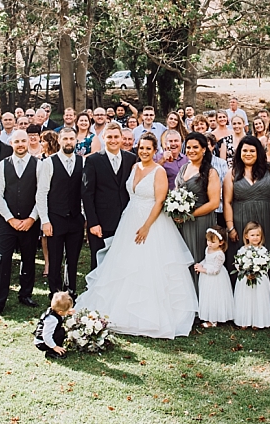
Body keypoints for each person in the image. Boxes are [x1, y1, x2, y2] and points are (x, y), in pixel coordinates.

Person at [75, 132, 198, 339]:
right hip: (129, 220)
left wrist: (146, 226)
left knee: (148, 265)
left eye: (148, 148)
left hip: (151, 223)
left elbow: (159, 201)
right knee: (124, 264)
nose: (144, 151)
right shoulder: (134, 167)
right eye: (141, 148)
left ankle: (150, 314)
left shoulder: (158, 171)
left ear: (155, 150)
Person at [223, 136, 270, 320]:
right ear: (239, 152)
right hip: (241, 222)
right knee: (242, 259)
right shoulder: (232, 173)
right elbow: (227, 202)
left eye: (252, 150)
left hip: (267, 220)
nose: (248, 154)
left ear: (259, 152)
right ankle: (243, 309)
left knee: (268, 258)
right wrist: (230, 227)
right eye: (245, 150)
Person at [0, 129, 41, 317]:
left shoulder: (38, 165)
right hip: (7, 223)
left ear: (28, 142)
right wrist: (10, 218)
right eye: (16, 141)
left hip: (30, 222)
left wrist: (32, 218)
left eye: (23, 141)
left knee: (29, 258)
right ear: (11, 143)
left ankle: (25, 294)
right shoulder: (2, 165)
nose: (20, 144)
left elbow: (41, 194)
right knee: (3, 260)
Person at [38, 127, 87, 300]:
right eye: (65, 138)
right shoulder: (49, 163)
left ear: (76, 141)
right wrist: (45, 220)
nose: (68, 142)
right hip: (55, 218)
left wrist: (83, 215)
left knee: (72, 258)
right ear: (59, 141)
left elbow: (85, 191)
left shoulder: (82, 162)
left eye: (71, 139)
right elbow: (41, 193)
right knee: (55, 257)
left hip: (75, 218)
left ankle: (70, 290)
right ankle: (55, 292)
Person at [80, 123, 136, 270]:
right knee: (99, 262)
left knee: (123, 261)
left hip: (125, 220)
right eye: (109, 137)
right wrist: (93, 223)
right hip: (101, 222)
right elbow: (87, 194)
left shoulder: (131, 158)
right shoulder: (93, 160)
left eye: (116, 137)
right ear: (103, 138)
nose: (113, 140)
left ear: (121, 138)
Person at [175, 131, 222, 290]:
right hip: (182, 222)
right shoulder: (184, 168)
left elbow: (214, 203)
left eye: (195, 147)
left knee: (197, 257)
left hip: (201, 221)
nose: (191, 150)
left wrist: (190, 215)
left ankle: (200, 295)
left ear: (204, 149)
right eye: (188, 147)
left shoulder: (210, 172)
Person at [232, 222, 270, 330]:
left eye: (257, 235)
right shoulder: (242, 250)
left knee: (258, 299)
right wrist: (245, 272)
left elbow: (266, 265)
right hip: (245, 279)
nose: (255, 238)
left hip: (259, 279)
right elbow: (238, 263)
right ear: (246, 236)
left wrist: (257, 272)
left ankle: (258, 321)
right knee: (245, 298)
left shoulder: (263, 250)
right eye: (252, 235)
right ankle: (244, 320)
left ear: (261, 236)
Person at [194, 228, 234, 328]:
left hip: (216, 278)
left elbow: (216, 270)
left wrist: (203, 270)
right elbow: (206, 260)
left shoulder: (220, 254)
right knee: (208, 296)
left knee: (215, 297)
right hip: (206, 278)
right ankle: (209, 317)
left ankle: (213, 320)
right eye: (208, 241)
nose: (209, 244)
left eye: (213, 242)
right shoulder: (208, 249)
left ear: (221, 242)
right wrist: (200, 264)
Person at [34, 291, 73, 360]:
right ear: (60, 312)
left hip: (46, 338)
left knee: (61, 331)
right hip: (42, 342)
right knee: (61, 332)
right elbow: (46, 336)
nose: (68, 312)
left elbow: (61, 316)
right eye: (67, 311)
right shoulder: (52, 319)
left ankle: (54, 347)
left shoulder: (55, 310)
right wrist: (54, 347)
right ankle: (52, 352)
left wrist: (67, 312)